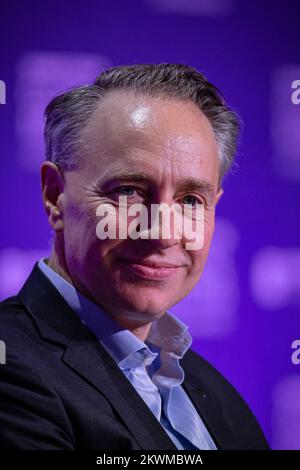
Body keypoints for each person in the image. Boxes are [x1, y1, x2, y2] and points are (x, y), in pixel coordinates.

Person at [0, 64, 269, 450]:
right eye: (128, 192)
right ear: (54, 195)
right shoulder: (11, 370)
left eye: (191, 200)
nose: (162, 231)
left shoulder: (216, 394)